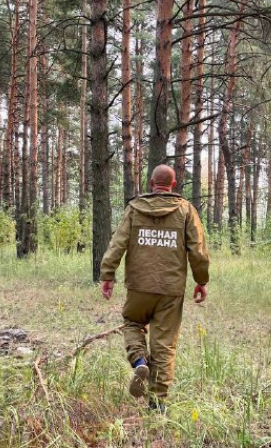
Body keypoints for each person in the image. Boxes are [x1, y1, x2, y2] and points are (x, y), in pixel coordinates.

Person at [100, 164, 210, 413]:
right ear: (173, 185)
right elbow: (198, 251)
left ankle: (139, 359)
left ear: (151, 183)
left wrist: (108, 274)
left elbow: (117, 244)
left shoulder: (134, 209)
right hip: (170, 290)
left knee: (131, 322)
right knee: (164, 344)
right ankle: (157, 403)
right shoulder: (185, 210)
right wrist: (201, 281)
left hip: (139, 286)